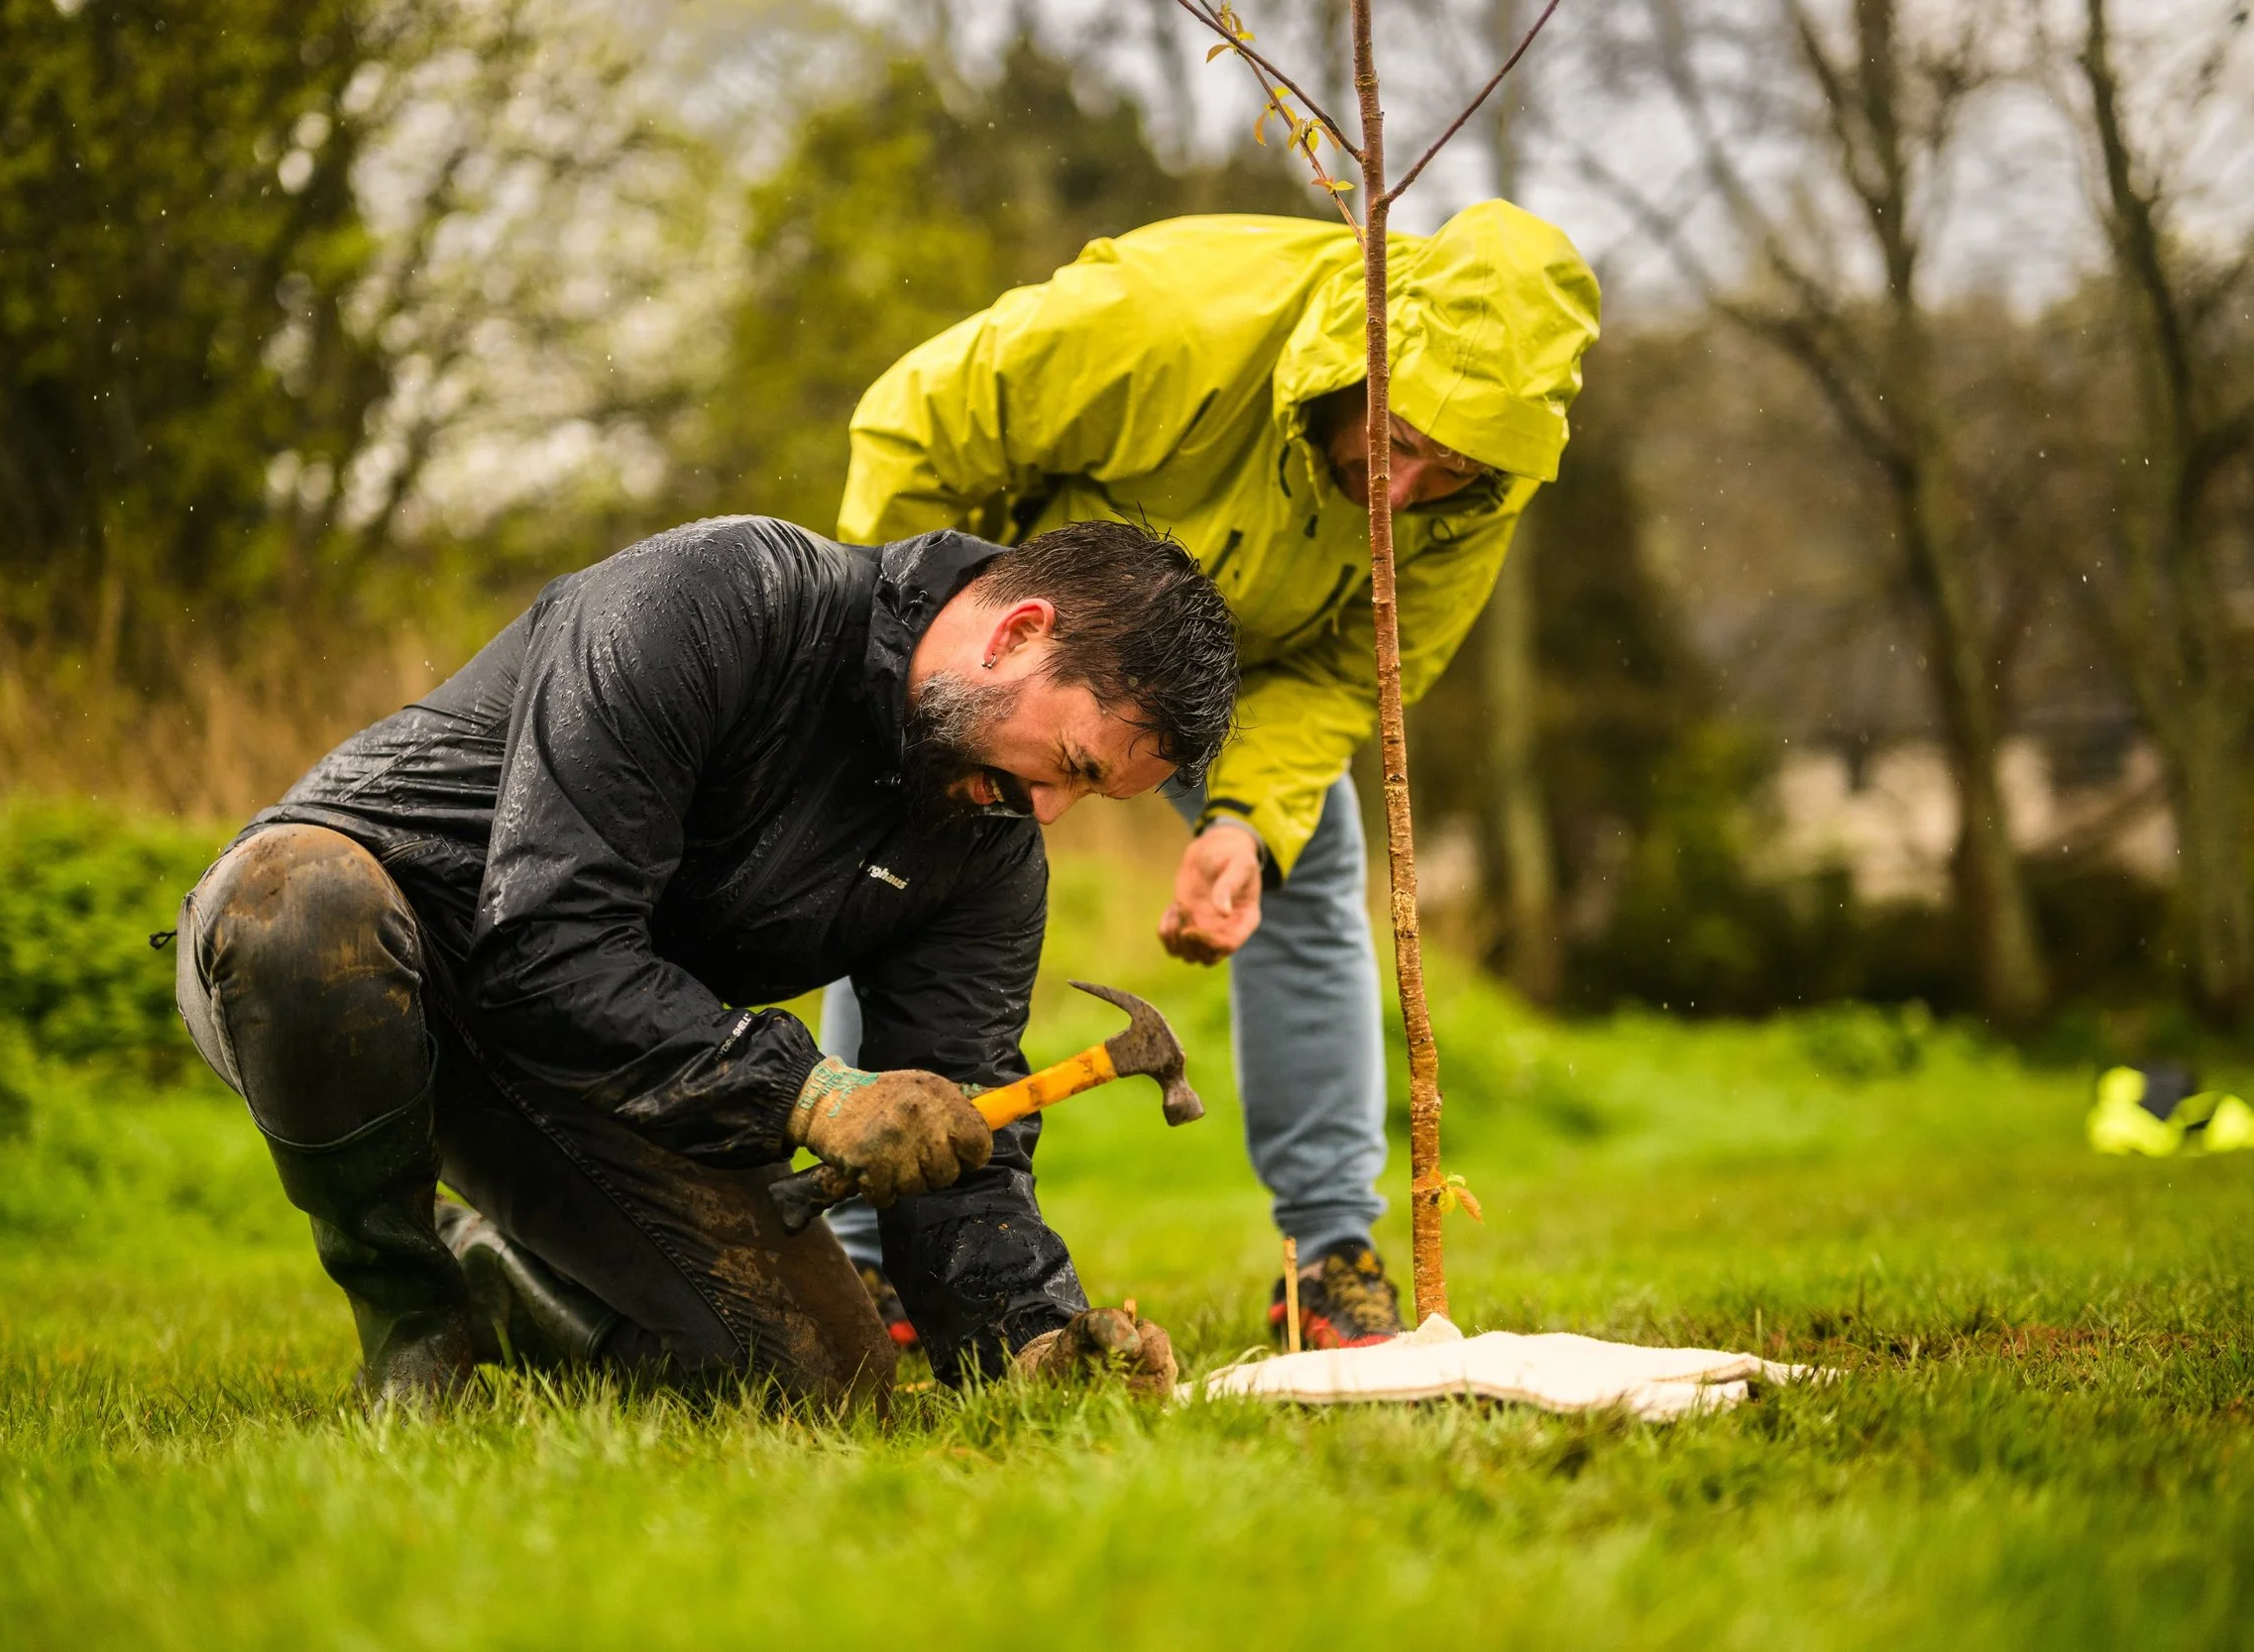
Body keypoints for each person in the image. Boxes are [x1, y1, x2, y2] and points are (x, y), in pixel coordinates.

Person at [172, 514, 1237, 1409]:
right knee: (303, 899)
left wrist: (1031, 1337)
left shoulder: (987, 843)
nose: (1049, 808)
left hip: (572, 1060)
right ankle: (409, 1310)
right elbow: (544, 939)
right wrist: (808, 1091)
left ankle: (500, 1276)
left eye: (1088, 796)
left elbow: (956, 1131)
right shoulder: (721, 595)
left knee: (825, 1384)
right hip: (332, 949)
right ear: (1018, 632)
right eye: (1071, 764)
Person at [829, 202, 1601, 1349]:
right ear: (1359, 361)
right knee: (914, 849)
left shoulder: (1480, 480)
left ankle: (1327, 1257)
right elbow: (920, 422)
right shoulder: (1172, 322)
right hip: (1038, 640)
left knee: (1310, 848)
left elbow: (1350, 668)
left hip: (1239, 677)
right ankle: (865, 1249)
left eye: (1449, 470)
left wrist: (1243, 822)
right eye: (1394, 441)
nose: (1400, 493)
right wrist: (925, 671)